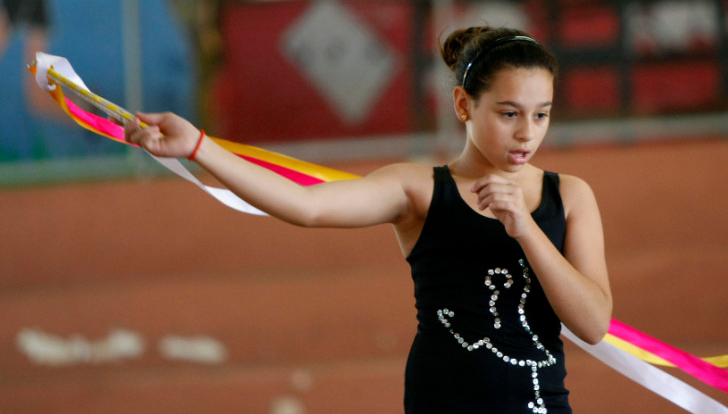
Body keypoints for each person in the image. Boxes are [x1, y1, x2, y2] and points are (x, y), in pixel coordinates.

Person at [125, 26, 612, 413]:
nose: (527, 133)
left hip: (541, 403)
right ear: (464, 105)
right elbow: (307, 206)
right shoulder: (418, 190)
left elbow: (593, 324)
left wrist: (525, 228)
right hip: (443, 402)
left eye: (541, 114)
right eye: (509, 114)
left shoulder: (569, 196)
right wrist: (197, 147)